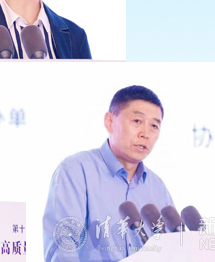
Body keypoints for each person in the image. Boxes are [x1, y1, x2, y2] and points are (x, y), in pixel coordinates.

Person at [43, 85, 174, 261]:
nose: (146, 134)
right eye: (137, 121)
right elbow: (63, 249)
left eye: (154, 126)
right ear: (109, 121)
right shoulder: (76, 171)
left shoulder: (157, 188)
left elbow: (172, 250)